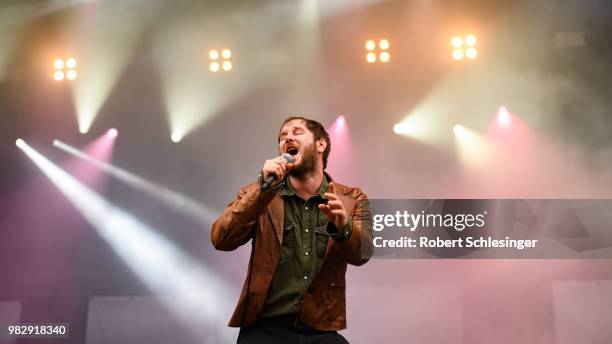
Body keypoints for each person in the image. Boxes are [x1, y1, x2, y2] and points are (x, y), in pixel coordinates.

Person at [211, 116, 372, 343]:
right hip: (265, 329)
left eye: (296, 132)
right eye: (282, 136)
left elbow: (363, 254)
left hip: (320, 331)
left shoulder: (351, 198)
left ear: (321, 144)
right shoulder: (258, 193)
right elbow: (221, 238)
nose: (287, 138)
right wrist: (262, 189)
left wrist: (343, 227)